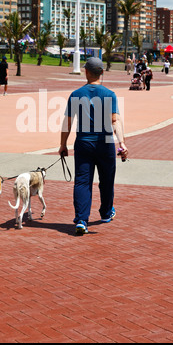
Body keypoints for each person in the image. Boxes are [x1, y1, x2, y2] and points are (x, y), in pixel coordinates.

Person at [59, 57, 128, 236]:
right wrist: (122, 143)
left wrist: (63, 145)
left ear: (86, 72)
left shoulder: (75, 94)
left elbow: (67, 122)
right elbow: (115, 120)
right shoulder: (109, 94)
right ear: (102, 73)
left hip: (83, 142)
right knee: (106, 181)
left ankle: (81, 219)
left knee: (82, 181)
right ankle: (106, 213)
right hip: (105, 143)